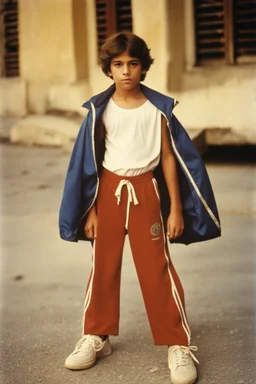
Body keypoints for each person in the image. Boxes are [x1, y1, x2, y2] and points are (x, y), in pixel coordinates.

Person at [59, 32, 221, 384]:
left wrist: (175, 209)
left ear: (144, 67)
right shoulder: (99, 110)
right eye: (118, 65)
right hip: (109, 193)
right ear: (109, 69)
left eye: (133, 63)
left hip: (146, 193)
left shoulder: (157, 109)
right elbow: (91, 162)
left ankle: (177, 343)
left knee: (157, 269)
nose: (126, 71)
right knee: (103, 266)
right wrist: (90, 210)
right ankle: (96, 336)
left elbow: (168, 159)